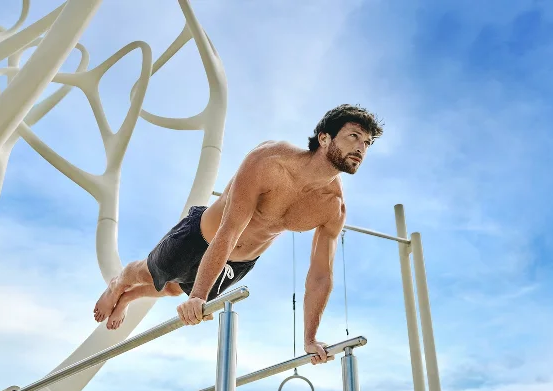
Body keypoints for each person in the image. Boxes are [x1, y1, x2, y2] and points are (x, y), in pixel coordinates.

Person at [93, 104, 383, 364]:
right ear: (324, 138)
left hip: (239, 263)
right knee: (147, 273)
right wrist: (198, 296)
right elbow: (229, 230)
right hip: (202, 238)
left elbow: (320, 274)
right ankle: (118, 285)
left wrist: (310, 338)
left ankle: (129, 300)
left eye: (367, 143)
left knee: (170, 289)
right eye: (353, 137)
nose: (361, 148)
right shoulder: (269, 162)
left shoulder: (333, 207)